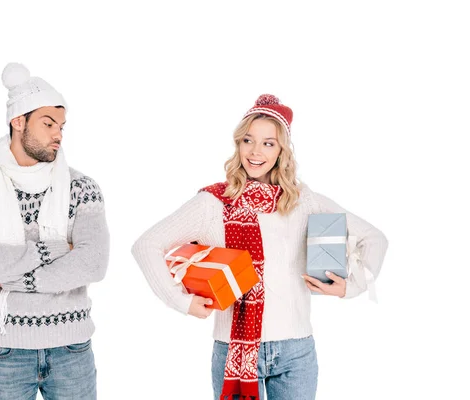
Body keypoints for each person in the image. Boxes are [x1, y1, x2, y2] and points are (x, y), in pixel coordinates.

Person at [131, 94, 388, 400]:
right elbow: (146, 245)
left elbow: (374, 238)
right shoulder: (213, 203)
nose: (255, 152)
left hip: (296, 352)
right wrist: (182, 302)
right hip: (233, 350)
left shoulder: (302, 201)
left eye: (268, 143)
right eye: (248, 141)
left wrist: (351, 287)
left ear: (282, 151)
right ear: (238, 144)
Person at [0, 62, 109, 400]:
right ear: (18, 121)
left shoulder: (83, 188)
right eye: (48, 123)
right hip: (5, 351)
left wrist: (15, 277)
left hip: (72, 348)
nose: (58, 135)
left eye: (62, 126)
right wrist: (51, 250)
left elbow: (93, 263)